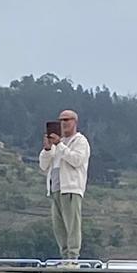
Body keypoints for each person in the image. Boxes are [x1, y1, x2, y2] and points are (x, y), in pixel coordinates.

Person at [38, 109, 91, 261]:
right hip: (55, 189)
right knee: (59, 227)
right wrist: (48, 148)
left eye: (67, 120)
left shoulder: (80, 141)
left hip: (71, 188)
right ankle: (64, 256)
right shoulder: (56, 145)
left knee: (72, 224)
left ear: (75, 122)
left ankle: (73, 257)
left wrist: (60, 145)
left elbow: (77, 160)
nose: (63, 123)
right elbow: (43, 166)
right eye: (61, 120)